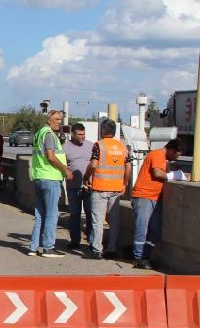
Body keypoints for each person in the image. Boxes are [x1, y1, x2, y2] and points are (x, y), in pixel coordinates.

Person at [131, 138, 184, 269]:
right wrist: (175, 175)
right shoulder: (157, 154)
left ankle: (145, 256)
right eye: (176, 155)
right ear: (171, 150)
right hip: (144, 196)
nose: (175, 159)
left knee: (154, 230)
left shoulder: (164, 160)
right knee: (142, 228)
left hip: (153, 197)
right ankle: (138, 258)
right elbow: (157, 173)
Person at [83, 119, 131, 260]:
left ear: (102, 130)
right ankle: (112, 250)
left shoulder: (99, 145)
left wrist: (86, 178)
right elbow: (128, 167)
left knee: (97, 220)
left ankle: (97, 249)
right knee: (114, 221)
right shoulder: (122, 147)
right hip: (116, 189)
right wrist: (125, 183)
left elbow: (93, 165)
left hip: (100, 188)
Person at [28, 109, 72, 257]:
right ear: (49, 120)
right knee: (52, 214)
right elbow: (51, 157)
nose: (59, 122)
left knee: (40, 214)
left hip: (39, 176)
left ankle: (33, 247)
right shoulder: (49, 135)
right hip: (50, 178)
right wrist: (65, 169)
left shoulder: (39, 133)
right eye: (57, 119)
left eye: (60, 119)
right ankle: (48, 247)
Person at [62, 122, 94, 252]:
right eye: (79, 134)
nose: (82, 137)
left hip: (89, 186)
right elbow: (61, 165)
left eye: (84, 134)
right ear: (73, 134)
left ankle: (92, 242)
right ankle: (75, 241)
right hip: (73, 187)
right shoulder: (65, 148)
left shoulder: (91, 146)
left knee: (90, 214)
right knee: (74, 214)